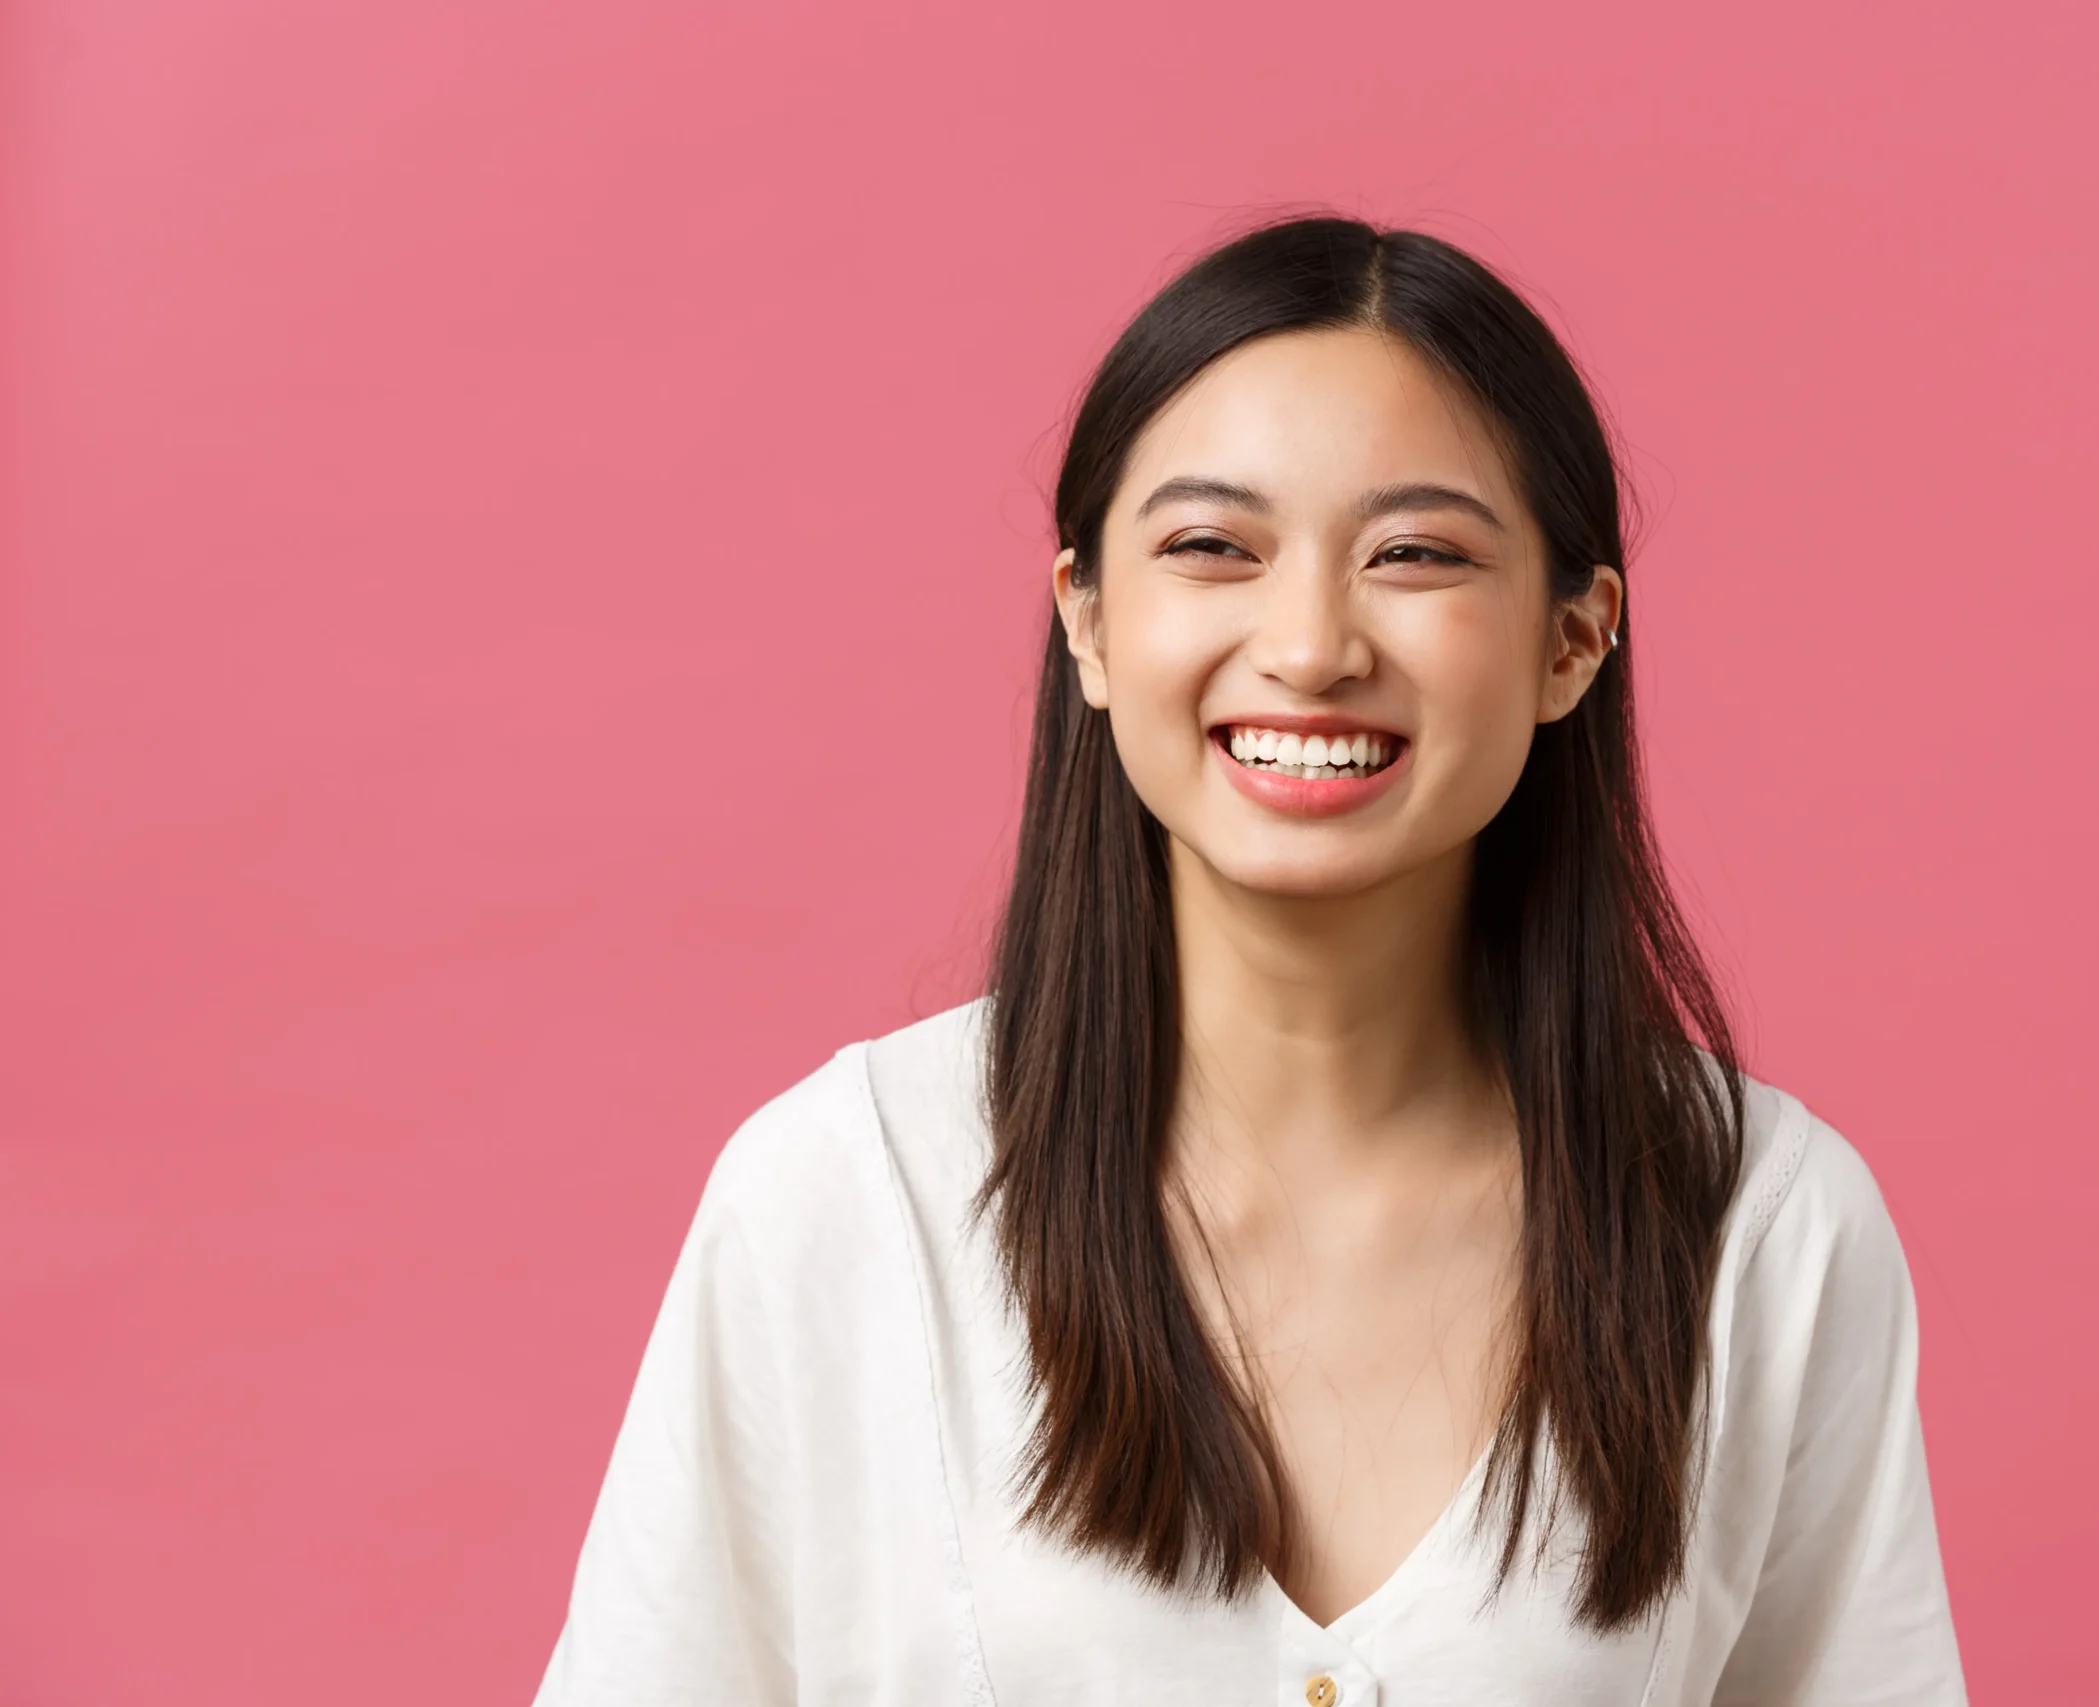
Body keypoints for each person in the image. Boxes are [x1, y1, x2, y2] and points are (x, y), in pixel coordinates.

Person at [531, 216, 1967, 1706]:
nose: (1309, 643)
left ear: (1574, 638)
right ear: (1087, 616)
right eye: (1214, 546)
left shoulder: (1763, 1230)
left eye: (1414, 553)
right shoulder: (842, 1197)